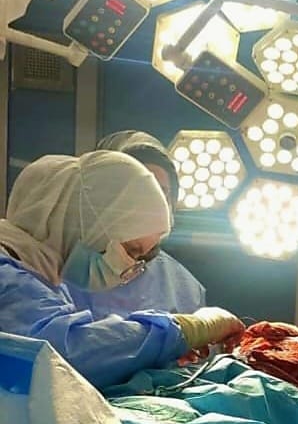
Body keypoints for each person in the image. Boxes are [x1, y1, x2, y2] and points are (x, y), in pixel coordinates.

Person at [0, 151, 244, 388]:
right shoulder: (7, 275)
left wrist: (154, 357)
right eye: (131, 250)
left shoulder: (42, 278)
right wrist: (185, 329)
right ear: (83, 223)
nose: (128, 269)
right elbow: (65, 356)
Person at [66, 131, 206, 318]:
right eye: (139, 193)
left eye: (161, 193)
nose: (151, 206)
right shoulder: (57, 267)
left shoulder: (187, 291)